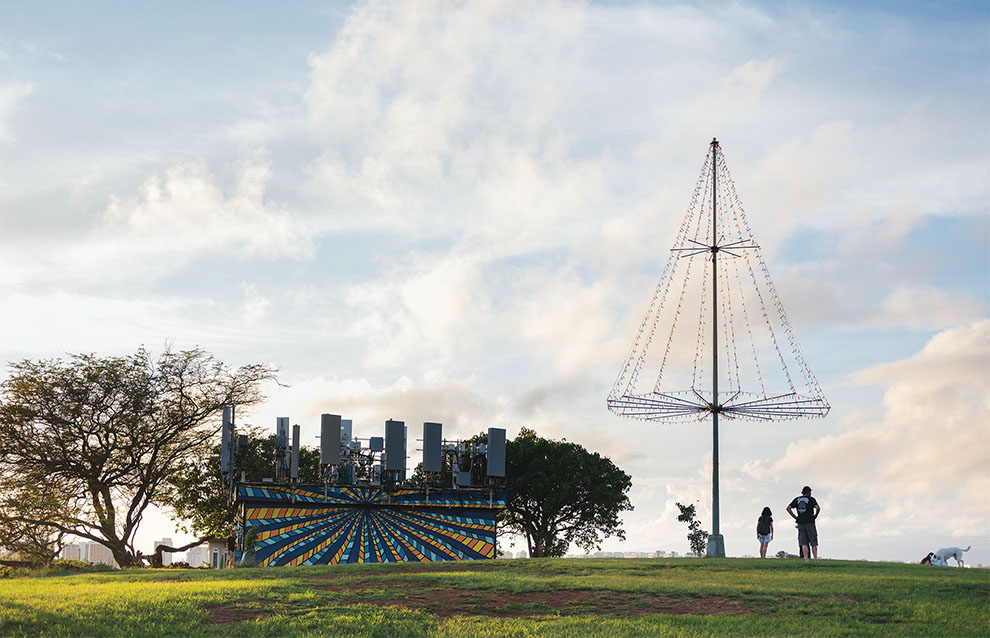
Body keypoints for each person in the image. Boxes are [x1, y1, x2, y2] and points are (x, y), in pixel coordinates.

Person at [786, 485, 820, 562]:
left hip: (800, 522)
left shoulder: (797, 499)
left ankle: (806, 559)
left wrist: (795, 517)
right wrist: (815, 516)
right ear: (809, 492)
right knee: (813, 542)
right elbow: (818, 508)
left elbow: (788, 508)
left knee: (803, 542)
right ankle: (815, 559)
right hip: (810, 522)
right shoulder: (811, 499)